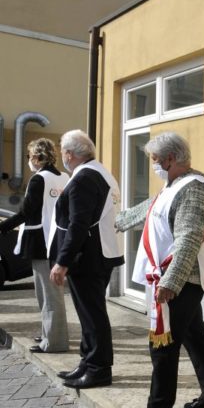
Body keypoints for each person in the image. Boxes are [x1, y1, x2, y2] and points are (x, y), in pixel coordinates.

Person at [115, 132, 204, 408]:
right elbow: (144, 212)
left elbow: (188, 240)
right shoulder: (173, 185)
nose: (152, 165)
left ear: (170, 159)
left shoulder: (195, 188)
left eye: (154, 160)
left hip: (180, 281)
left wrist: (170, 283)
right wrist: (113, 218)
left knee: (162, 349)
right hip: (172, 279)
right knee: (196, 338)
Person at [49, 129, 124, 389]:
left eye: (62, 152)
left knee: (92, 315)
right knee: (89, 313)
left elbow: (78, 223)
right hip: (100, 253)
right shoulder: (100, 172)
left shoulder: (84, 178)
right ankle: (87, 361)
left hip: (88, 256)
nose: (62, 157)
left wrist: (63, 260)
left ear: (69, 154)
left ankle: (98, 369)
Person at [0, 138, 69, 353]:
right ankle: (49, 333)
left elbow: (25, 212)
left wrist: (3, 227)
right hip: (58, 240)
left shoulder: (39, 180)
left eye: (29, 156)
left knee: (48, 295)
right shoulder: (64, 177)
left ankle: (54, 342)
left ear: (38, 157)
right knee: (51, 293)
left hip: (41, 242)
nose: (29, 161)